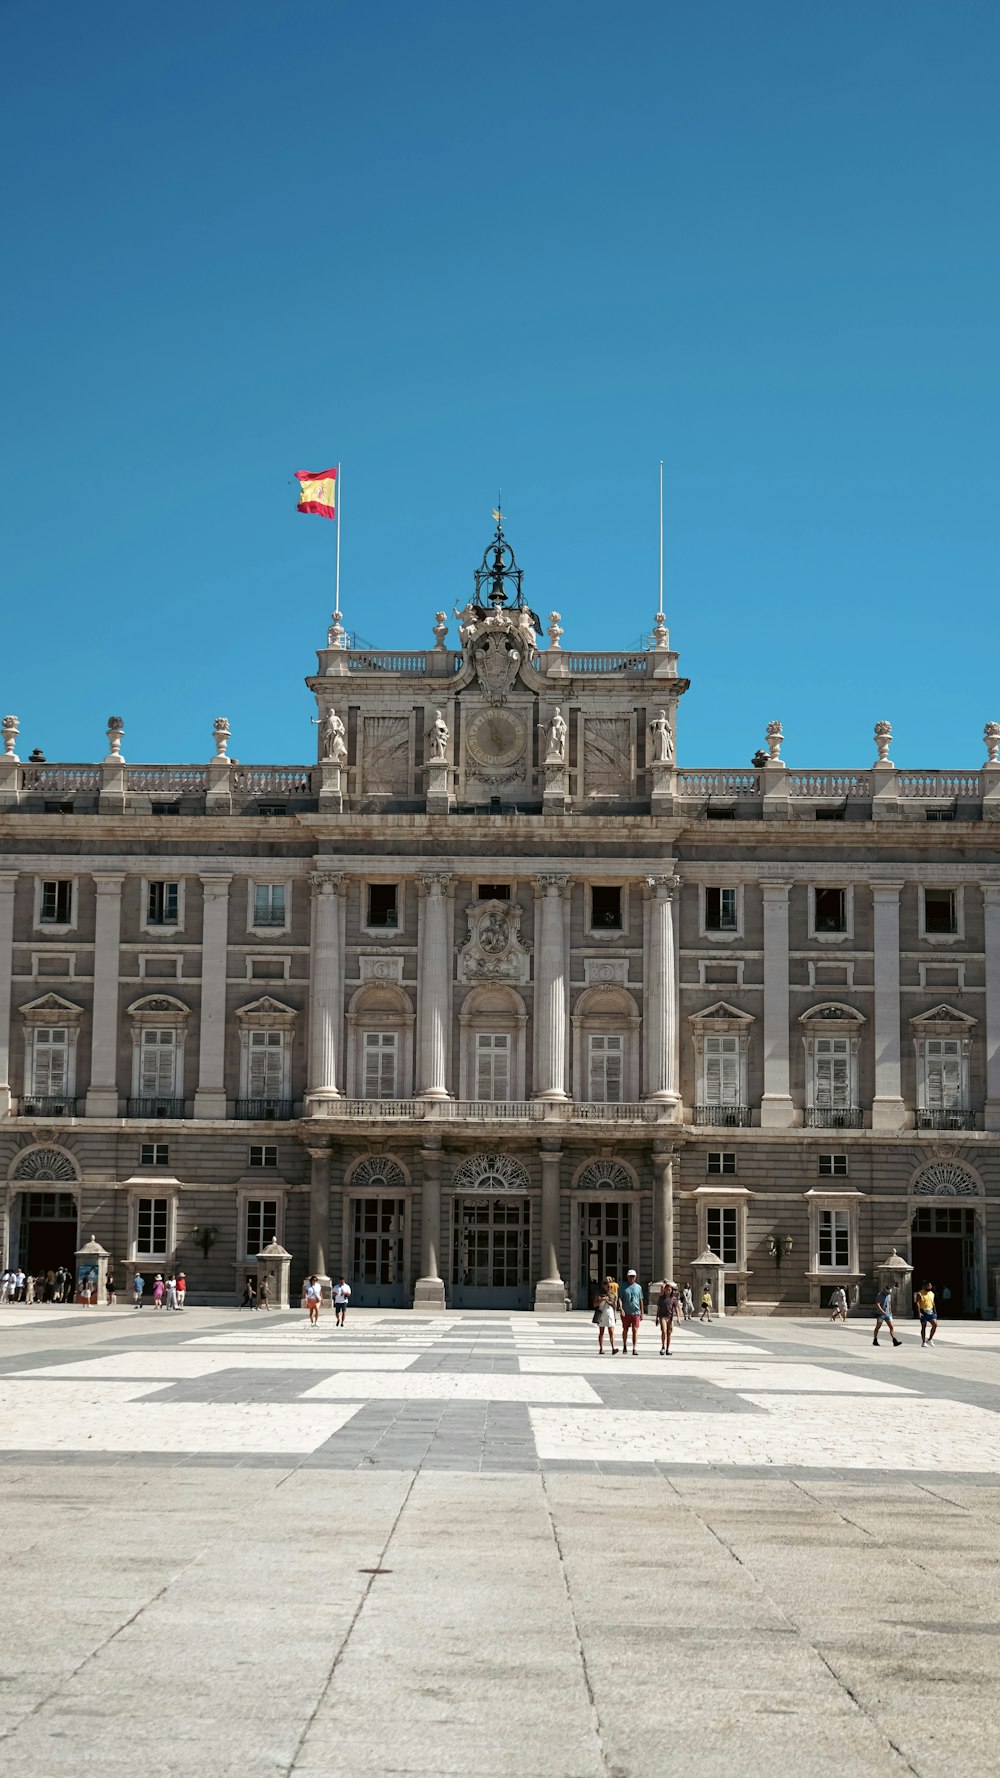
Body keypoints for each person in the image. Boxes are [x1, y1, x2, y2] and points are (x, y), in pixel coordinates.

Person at [618, 1269, 643, 1355]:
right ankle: (624, 1345)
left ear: (635, 1277)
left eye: (633, 1276)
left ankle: (634, 1348)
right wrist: (621, 1308)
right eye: (630, 1276)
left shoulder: (639, 1287)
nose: (631, 1278)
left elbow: (641, 1300)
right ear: (627, 1277)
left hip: (636, 1312)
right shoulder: (623, 1286)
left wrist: (642, 1313)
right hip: (626, 1312)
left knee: (635, 1330)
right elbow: (620, 1298)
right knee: (625, 1329)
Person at [873, 1284, 902, 1348]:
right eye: (887, 1293)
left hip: (888, 1314)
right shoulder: (880, 1295)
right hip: (880, 1314)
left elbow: (889, 1303)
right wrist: (882, 1312)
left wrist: (890, 1311)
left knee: (891, 1326)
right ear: (885, 1290)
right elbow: (878, 1304)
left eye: (889, 1293)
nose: (888, 1294)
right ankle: (875, 1339)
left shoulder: (889, 1295)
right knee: (878, 1327)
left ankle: (894, 1340)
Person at [656, 1281, 680, 1354]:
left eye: (669, 1290)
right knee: (664, 1331)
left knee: (669, 1333)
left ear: (671, 1290)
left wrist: (678, 1318)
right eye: (667, 1289)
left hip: (670, 1317)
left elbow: (676, 1309)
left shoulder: (674, 1299)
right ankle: (663, 1346)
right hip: (662, 1317)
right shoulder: (661, 1298)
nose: (668, 1291)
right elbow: (658, 1308)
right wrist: (656, 1318)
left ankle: (668, 1348)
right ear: (664, 1290)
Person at [594, 1285, 617, 1355]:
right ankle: (601, 1348)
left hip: (610, 1313)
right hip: (602, 1313)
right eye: (608, 1286)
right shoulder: (599, 1294)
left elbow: (614, 1305)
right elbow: (595, 1304)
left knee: (611, 1332)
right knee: (601, 1332)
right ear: (604, 1286)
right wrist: (602, 1299)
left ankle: (613, 1348)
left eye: (610, 1287)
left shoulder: (613, 1295)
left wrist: (615, 1315)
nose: (609, 1288)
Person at [915, 1281, 938, 1347]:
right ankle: (923, 1342)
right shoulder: (920, 1293)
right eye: (928, 1285)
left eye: (930, 1285)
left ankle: (930, 1339)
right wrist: (919, 1312)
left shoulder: (932, 1293)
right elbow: (917, 1303)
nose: (930, 1287)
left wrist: (935, 1312)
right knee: (923, 1327)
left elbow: (933, 1303)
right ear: (924, 1286)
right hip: (923, 1311)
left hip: (930, 1311)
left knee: (935, 1325)